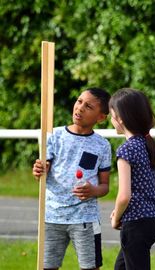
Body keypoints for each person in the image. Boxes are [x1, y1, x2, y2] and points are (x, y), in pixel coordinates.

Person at [32, 87, 111, 270]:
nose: (80, 108)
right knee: (47, 266)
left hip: (85, 218)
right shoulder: (54, 135)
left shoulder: (102, 145)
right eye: (79, 101)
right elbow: (43, 170)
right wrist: (38, 170)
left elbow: (105, 186)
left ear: (100, 118)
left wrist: (93, 191)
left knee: (91, 267)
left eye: (89, 106)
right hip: (52, 216)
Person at [109, 88, 155, 270]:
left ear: (120, 119)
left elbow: (124, 195)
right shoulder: (150, 144)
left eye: (111, 115)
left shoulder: (126, 150)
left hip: (136, 223)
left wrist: (116, 217)